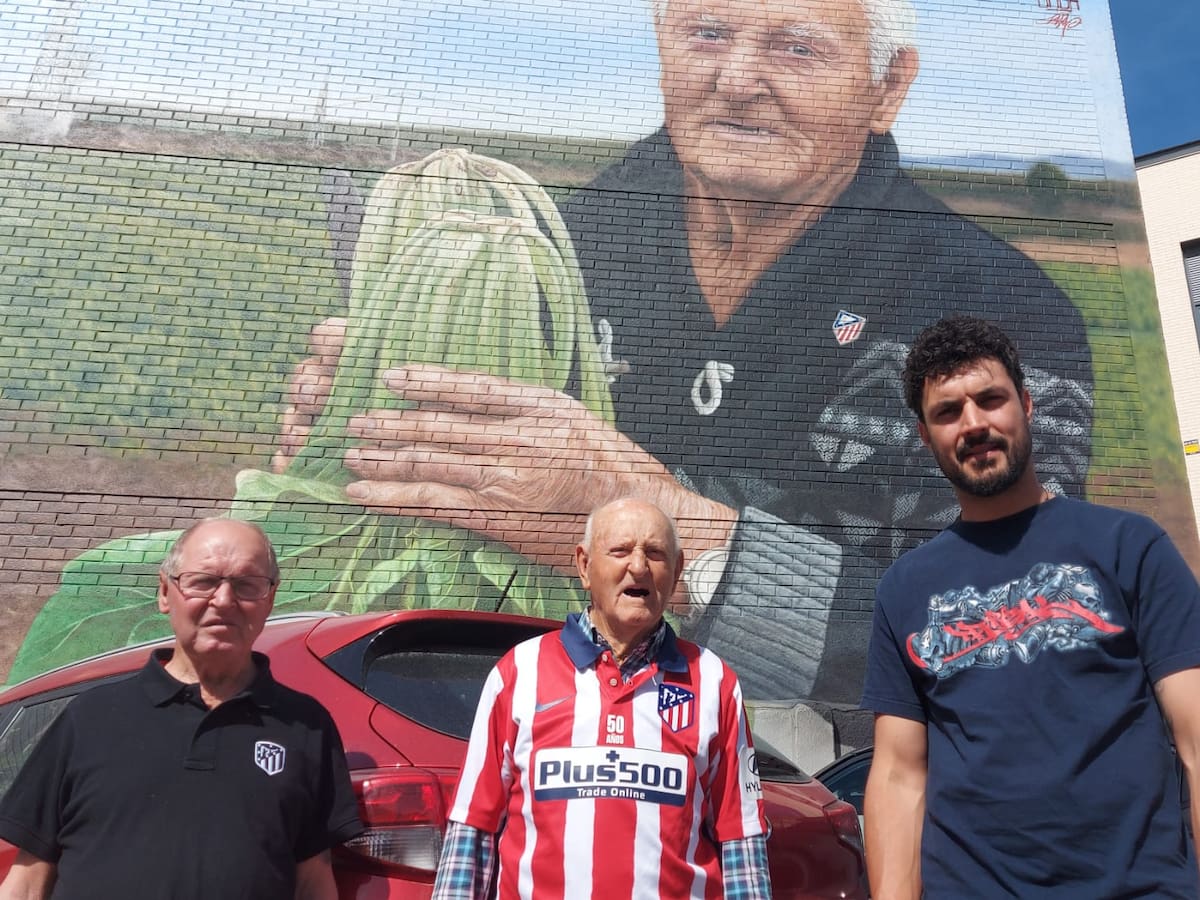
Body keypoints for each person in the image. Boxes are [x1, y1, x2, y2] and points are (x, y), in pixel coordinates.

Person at [276, 0, 1091, 704]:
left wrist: (654, 518)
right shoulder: (563, 249)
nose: (736, 79)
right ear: (661, 46)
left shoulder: (999, 311)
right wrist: (368, 433)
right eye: (706, 33)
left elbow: (1006, 620)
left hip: (827, 790)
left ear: (889, 86)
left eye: (795, 46)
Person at [860, 316, 1200, 899]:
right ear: (925, 436)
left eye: (990, 400)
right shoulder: (904, 589)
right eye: (948, 412)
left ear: (1026, 404)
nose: (973, 424)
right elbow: (897, 776)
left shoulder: (1128, 545)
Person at [0, 519, 363, 900]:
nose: (223, 600)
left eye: (246, 585)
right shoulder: (90, 717)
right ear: (164, 592)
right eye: (204, 581)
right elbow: (26, 883)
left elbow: (313, 883)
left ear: (269, 600)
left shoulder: (305, 727)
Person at [431, 498, 770, 899]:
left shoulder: (714, 681)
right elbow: (473, 830)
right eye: (621, 551)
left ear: (677, 571)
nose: (639, 566)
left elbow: (741, 841)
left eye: (656, 553)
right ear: (584, 566)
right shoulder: (519, 672)